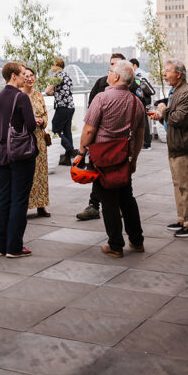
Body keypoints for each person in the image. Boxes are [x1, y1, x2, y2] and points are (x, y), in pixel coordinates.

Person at [79, 60, 145, 258]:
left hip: (103, 157)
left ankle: (115, 245)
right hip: (124, 156)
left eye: (110, 71)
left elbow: (89, 129)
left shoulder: (101, 98)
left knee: (108, 200)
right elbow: (140, 135)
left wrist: (81, 151)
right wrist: (134, 159)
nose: (108, 74)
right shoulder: (137, 103)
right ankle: (137, 241)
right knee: (127, 198)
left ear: (116, 77)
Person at [77, 53, 138, 221]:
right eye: (111, 65)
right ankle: (94, 206)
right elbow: (91, 116)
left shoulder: (129, 92)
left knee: (115, 190)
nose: (112, 69)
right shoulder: (100, 85)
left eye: (115, 66)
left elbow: (89, 128)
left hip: (114, 149)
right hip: (107, 148)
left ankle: (115, 241)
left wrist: (81, 151)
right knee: (117, 188)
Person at [149, 60, 188, 238]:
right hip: (176, 145)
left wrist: (163, 110)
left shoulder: (185, 93)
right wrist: (162, 115)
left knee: (185, 186)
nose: (164, 73)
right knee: (179, 185)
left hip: (183, 146)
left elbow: (179, 119)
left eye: (168, 71)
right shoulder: (176, 91)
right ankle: (183, 219)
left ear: (179, 74)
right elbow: (173, 117)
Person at [0, 62, 37, 258]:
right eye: (22, 75)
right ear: (13, 76)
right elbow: (31, 125)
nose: (25, 78)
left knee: (4, 198)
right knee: (19, 200)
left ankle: (0, 245)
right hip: (20, 155)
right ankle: (14, 246)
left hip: (2, 153)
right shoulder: (22, 98)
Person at [22, 65, 50, 217]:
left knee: (41, 173)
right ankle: (25, 205)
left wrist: (42, 121)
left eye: (32, 75)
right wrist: (31, 121)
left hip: (39, 138)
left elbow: (46, 114)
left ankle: (41, 204)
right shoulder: (19, 96)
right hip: (25, 139)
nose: (29, 78)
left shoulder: (39, 95)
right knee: (27, 173)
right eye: (26, 76)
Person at [45, 58, 76, 165]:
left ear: (57, 66)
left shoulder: (57, 76)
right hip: (70, 107)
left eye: (52, 65)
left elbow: (47, 90)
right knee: (67, 131)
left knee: (55, 130)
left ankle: (71, 149)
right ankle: (67, 159)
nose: (51, 67)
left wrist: (53, 93)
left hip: (62, 107)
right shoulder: (67, 75)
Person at [131, 57, 155, 150]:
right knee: (143, 120)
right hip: (145, 98)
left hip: (142, 98)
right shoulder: (143, 72)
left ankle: (146, 143)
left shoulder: (136, 75)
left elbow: (139, 87)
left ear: (134, 65)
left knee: (143, 120)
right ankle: (145, 142)